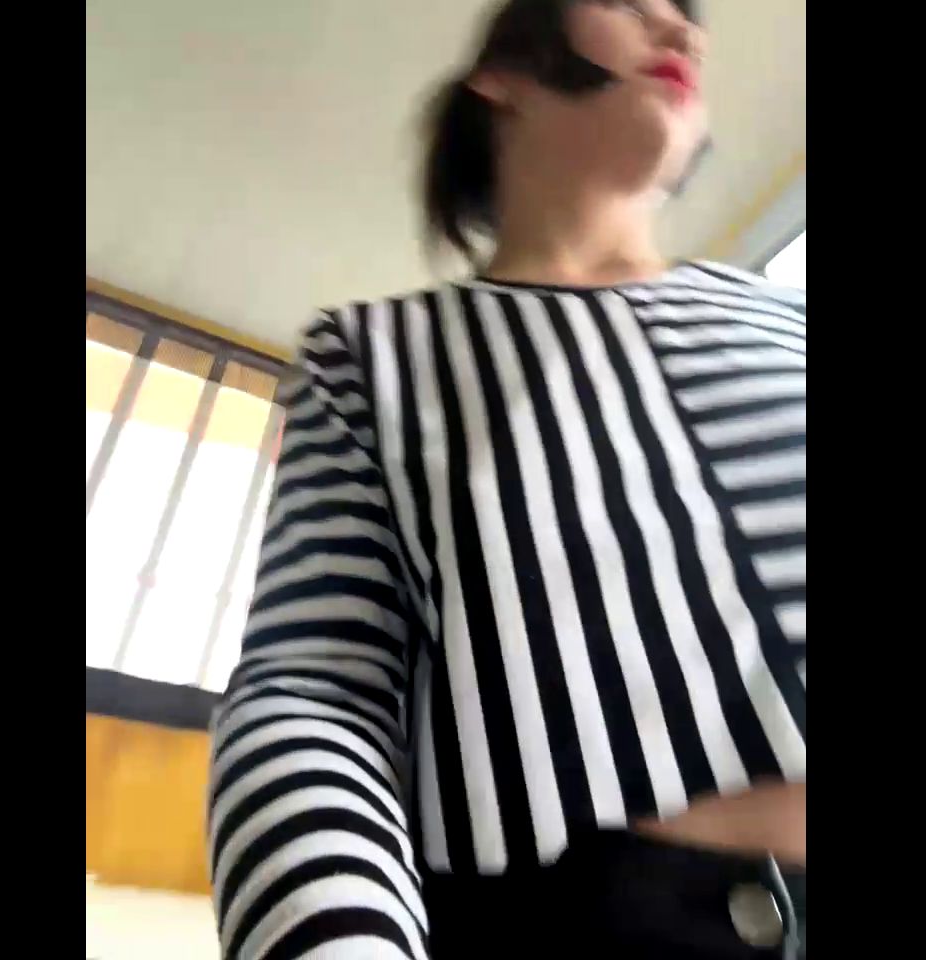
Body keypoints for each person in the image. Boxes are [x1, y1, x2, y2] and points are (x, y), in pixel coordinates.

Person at [207, 0, 806, 956]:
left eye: (686, 16)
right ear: (502, 74)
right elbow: (315, 694)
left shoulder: (792, 324)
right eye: (630, 3)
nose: (683, 33)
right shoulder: (371, 357)